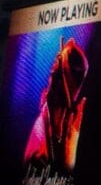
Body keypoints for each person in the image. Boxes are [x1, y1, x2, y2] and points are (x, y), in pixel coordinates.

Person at [24, 38, 88, 172]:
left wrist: (69, 158)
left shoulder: (67, 128)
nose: (55, 59)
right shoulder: (44, 118)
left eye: (60, 59)